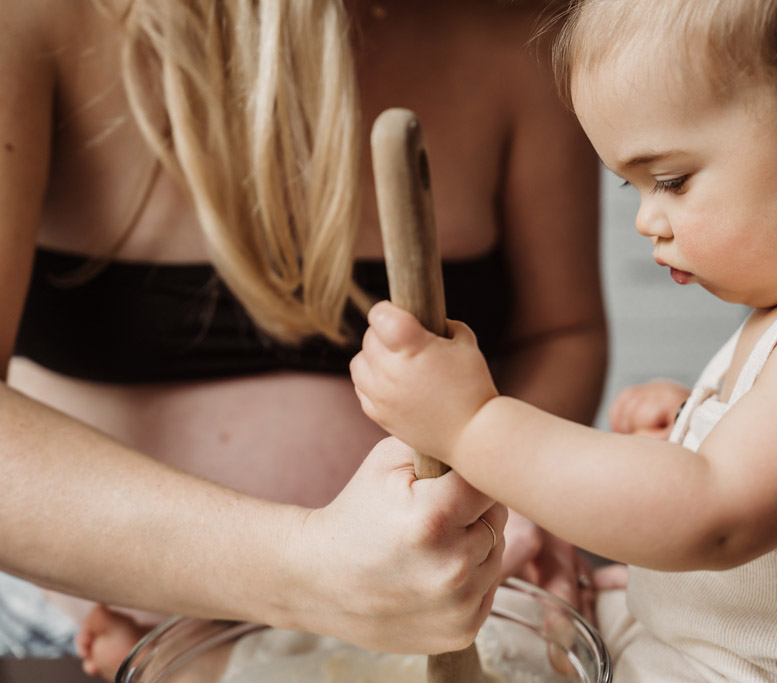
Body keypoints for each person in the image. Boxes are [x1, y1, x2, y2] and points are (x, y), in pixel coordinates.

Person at [351, 0, 777, 679]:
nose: (648, 219)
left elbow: (712, 511)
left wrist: (470, 424)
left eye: (671, 179)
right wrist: (694, 428)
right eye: (633, 185)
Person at [0, 0, 607, 674]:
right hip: (72, 630)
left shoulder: (520, 24)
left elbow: (561, 332)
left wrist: (506, 510)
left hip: (452, 618)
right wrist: (311, 570)